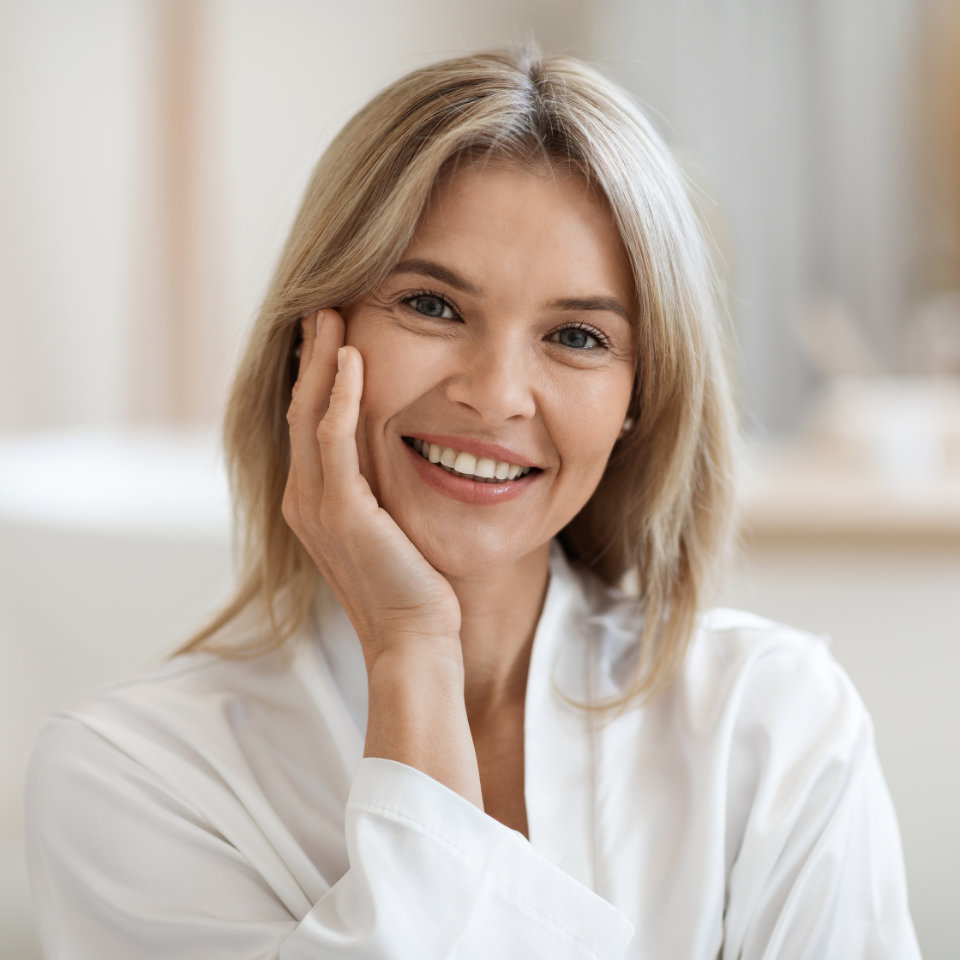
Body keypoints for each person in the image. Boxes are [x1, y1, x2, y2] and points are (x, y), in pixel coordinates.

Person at [24, 47, 920, 959]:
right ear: (315, 343)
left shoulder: (772, 725)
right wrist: (413, 648)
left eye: (576, 336)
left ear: (638, 398)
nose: (496, 396)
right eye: (433, 306)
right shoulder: (131, 776)